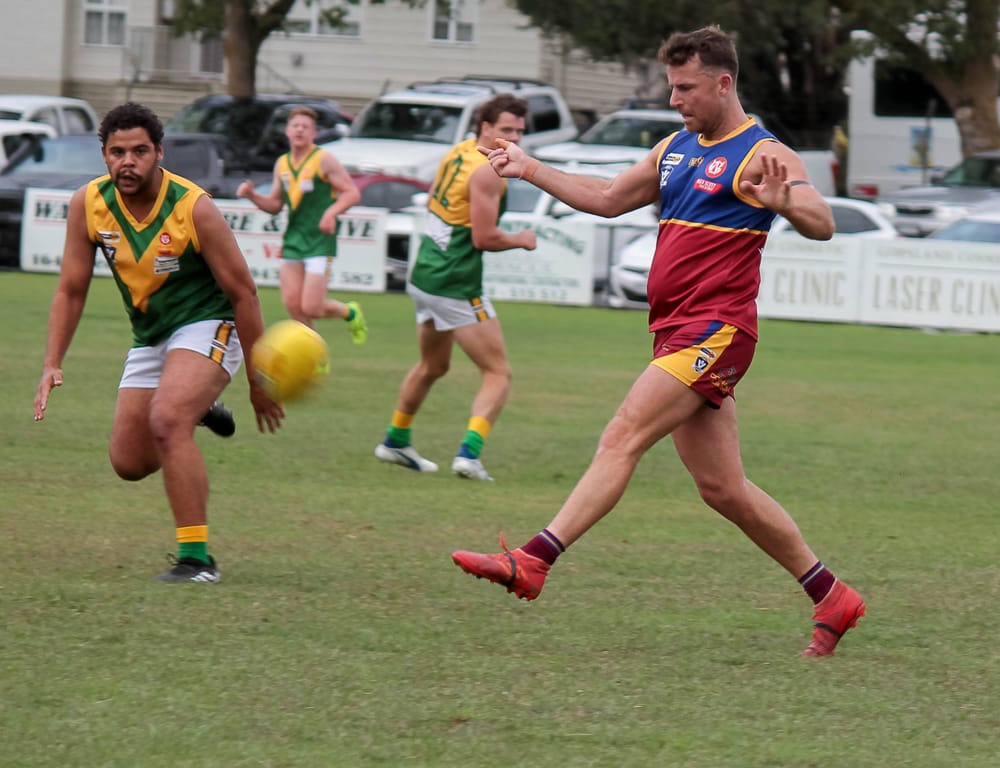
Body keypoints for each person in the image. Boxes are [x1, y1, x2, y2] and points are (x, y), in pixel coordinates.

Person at [451, 27, 866, 657]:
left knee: (622, 434)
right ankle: (832, 596)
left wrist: (787, 204)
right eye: (672, 87)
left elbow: (823, 222)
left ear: (723, 84)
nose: (674, 100)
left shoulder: (761, 153)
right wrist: (529, 167)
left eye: (686, 88)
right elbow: (608, 198)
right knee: (723, 488)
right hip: (675, 331)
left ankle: (533, 560)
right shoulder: (675, 147)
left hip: (718, 330)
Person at [33, 102, 285, 583]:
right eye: (117, 152)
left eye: (140, 151)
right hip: (150, 335)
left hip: (210, 323)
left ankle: (197, 560)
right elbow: (70, 289)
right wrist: (51, 362)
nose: (128, 162)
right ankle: (196, 405)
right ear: (104, 155)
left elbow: (244, 294)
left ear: (159, 153)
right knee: (129, 462)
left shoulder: (193, 207)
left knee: (168, 420)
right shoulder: (88, 204)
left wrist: (259, 381)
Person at [374, 93, 537, 480]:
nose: (514, 138)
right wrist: (522, 239)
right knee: (498, 373)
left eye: (519, 132)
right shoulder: (487, 171)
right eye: (506, 130)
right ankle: (469, 454)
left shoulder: (458, 152)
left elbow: (435, 201)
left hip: (425, 274)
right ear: (486, 127)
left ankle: (395, 440)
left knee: (433, 365)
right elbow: (484, 238)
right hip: (455, 281)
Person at [236, 106, 368, 345]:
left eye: (305, 127)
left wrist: (331, 213)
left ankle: (349, 312)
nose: (299, 130)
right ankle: (315, 357)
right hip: (293, 241)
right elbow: (275, 205)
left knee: (311, 307)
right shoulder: (282, 164)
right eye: (295, 126)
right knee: (294, 306)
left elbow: (352, 193)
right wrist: (252, 195)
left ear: (313, 133)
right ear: (287, 131)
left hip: (319, 241)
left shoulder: (323, 159)